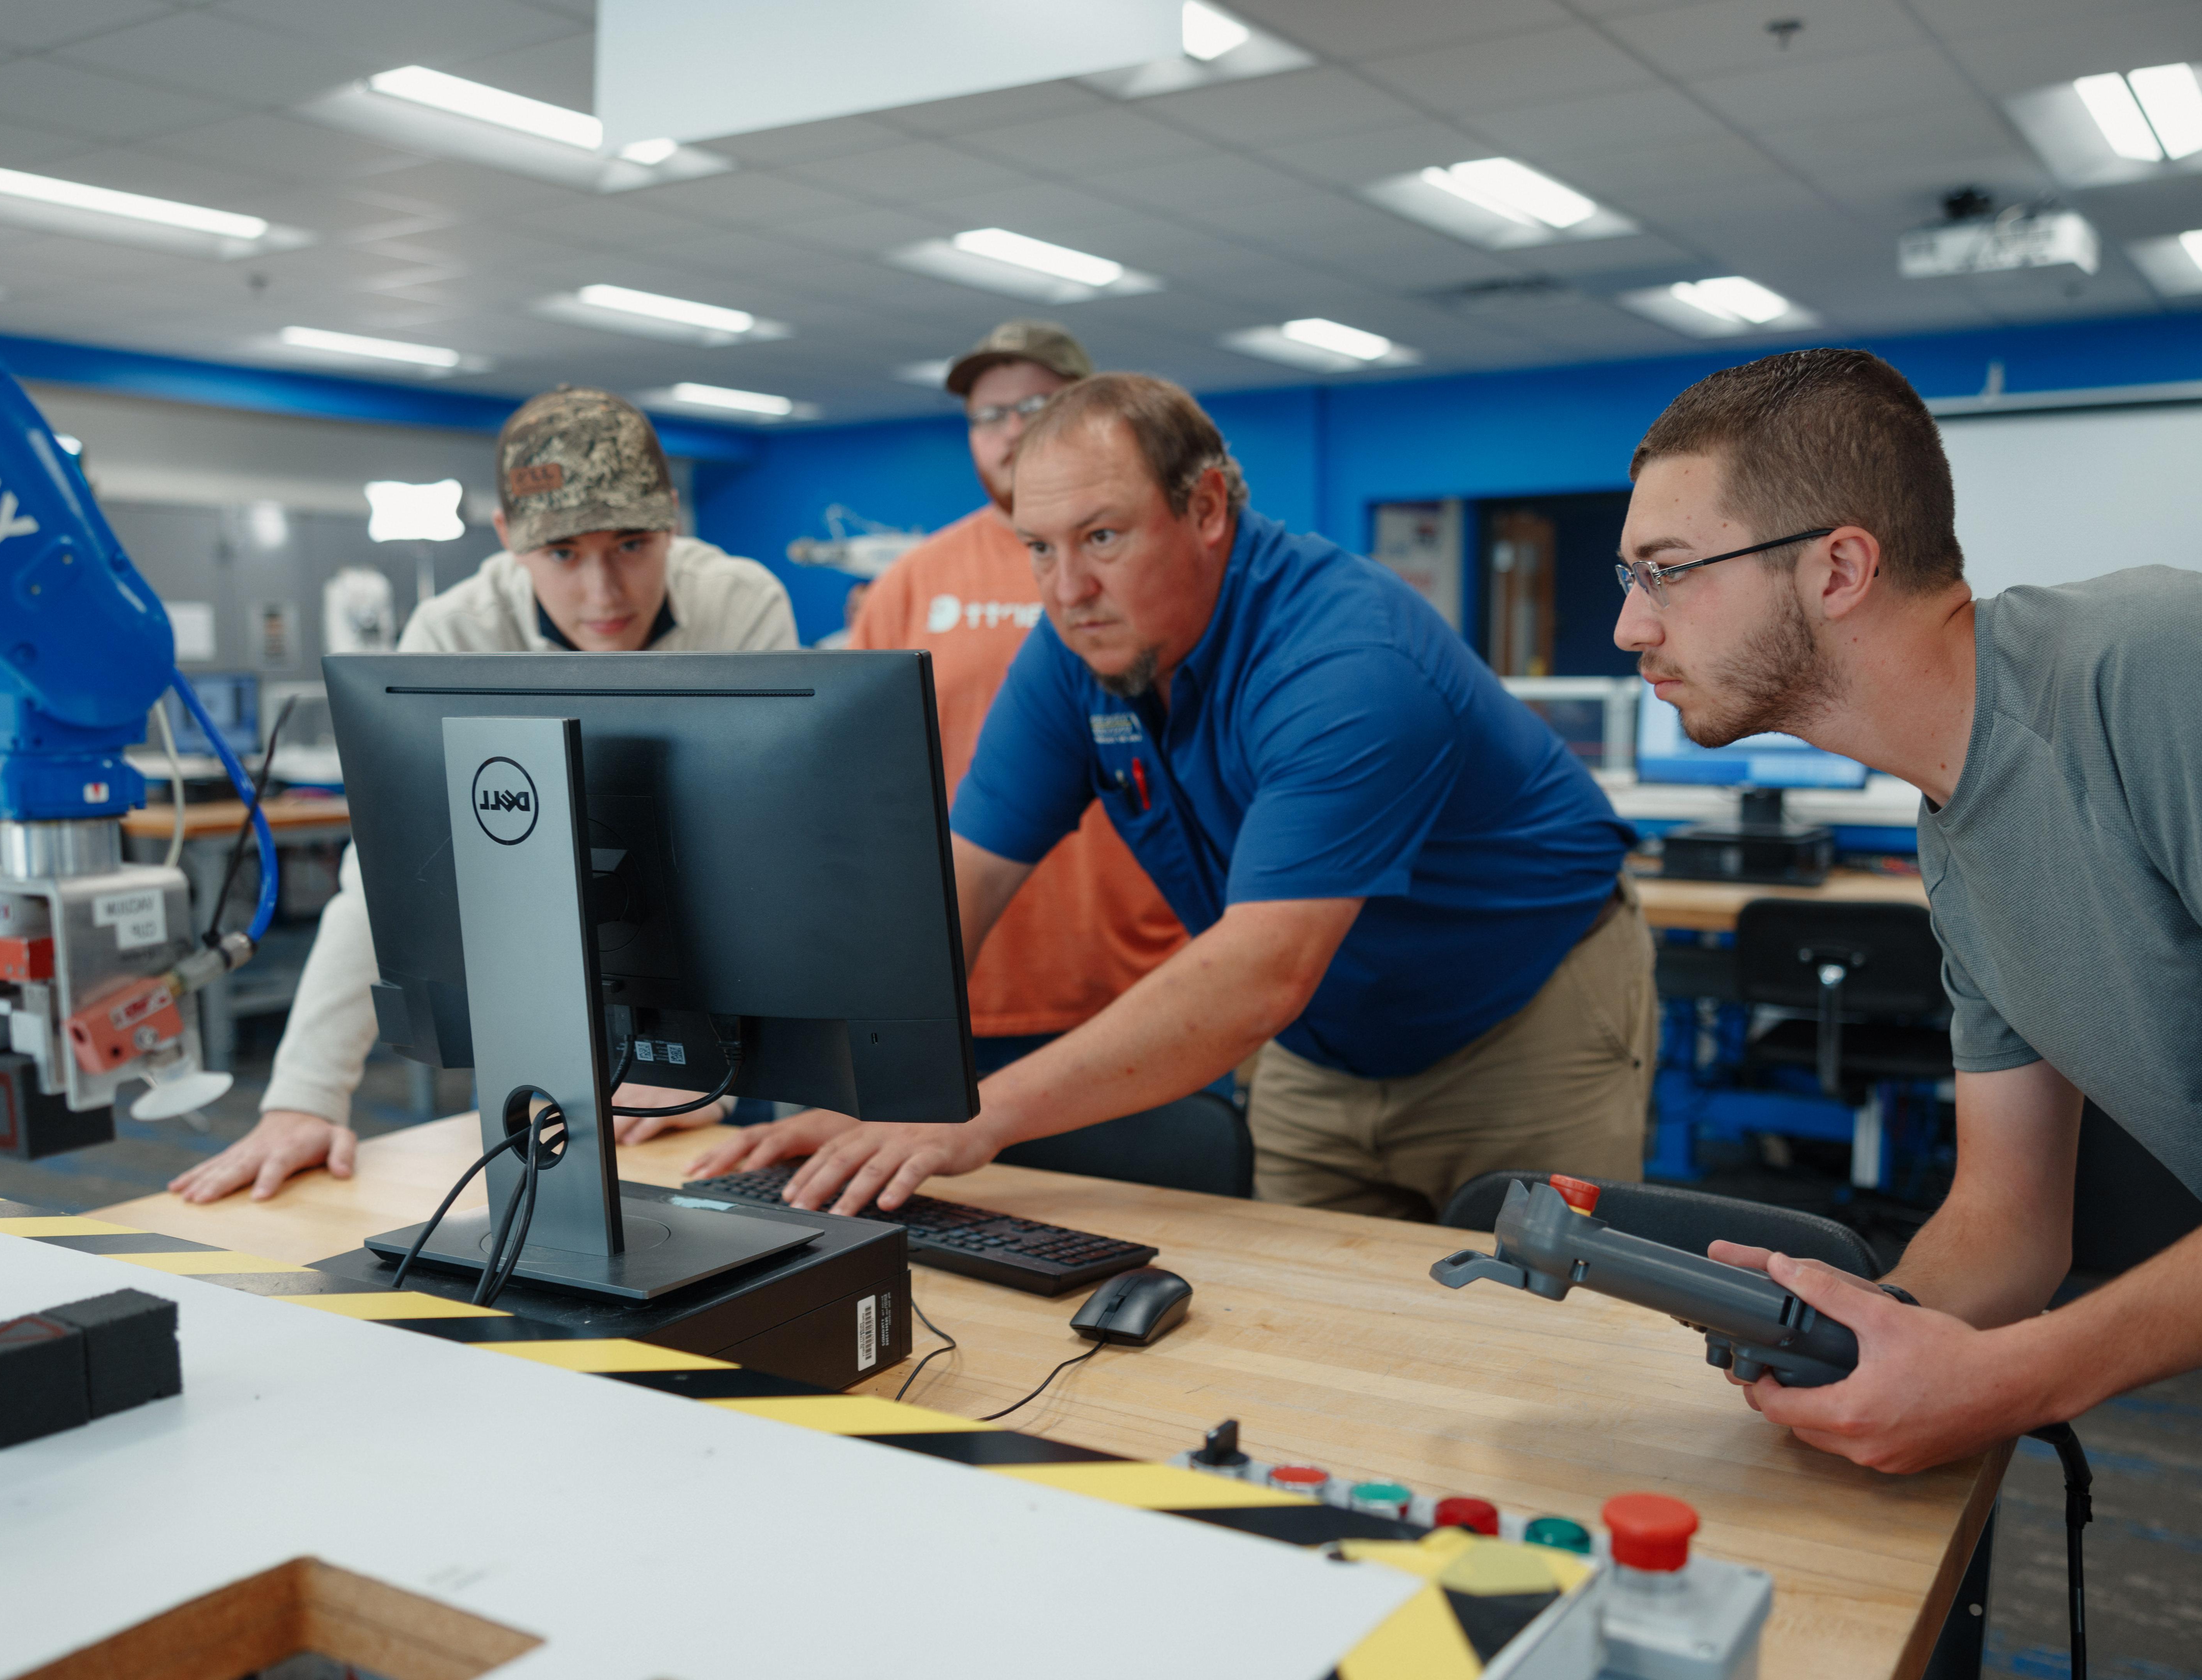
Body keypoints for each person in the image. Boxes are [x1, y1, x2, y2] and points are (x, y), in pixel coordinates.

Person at [1604, 346, 2202, 1680]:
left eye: (1665, 570)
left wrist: (2006, 1380)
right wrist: (1862, 1336)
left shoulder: (2159, 673)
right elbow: (2009, 1223)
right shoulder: (1957, 839)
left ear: (1838, 566)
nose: (1625, 622)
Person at [694, 373, 1649, 1220]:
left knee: (1545, 1344)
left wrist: (969, 1114)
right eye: (1038, 548)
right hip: (1318, 1044)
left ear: (1204, 510)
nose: (1066, 589)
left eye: (1102, 536)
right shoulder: (1078, 650)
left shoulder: (1347, 661)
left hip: (1518, 1019)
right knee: (1306, 1337)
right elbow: (964, 883)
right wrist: (864, 1084)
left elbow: (1256, 970)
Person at [167, 387, 797, 1203]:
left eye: (633, 545)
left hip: (721, 1016)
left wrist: (698, 1065)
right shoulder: (455, 639)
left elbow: (762, 869)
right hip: (538, 1002)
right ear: (509, 541)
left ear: (672, 519)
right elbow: (388, 884)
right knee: (529, 1233)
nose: (604, 593)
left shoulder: (740, 606)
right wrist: (304, 1098)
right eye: (564, 554)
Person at [849, 321, 1184, 1076]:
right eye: (986, 414)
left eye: (1035, 404)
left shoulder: (1149, 563)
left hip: (1141, 983)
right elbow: (859, 792)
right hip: (957, 988)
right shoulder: (912, 582)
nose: (1009, 431)